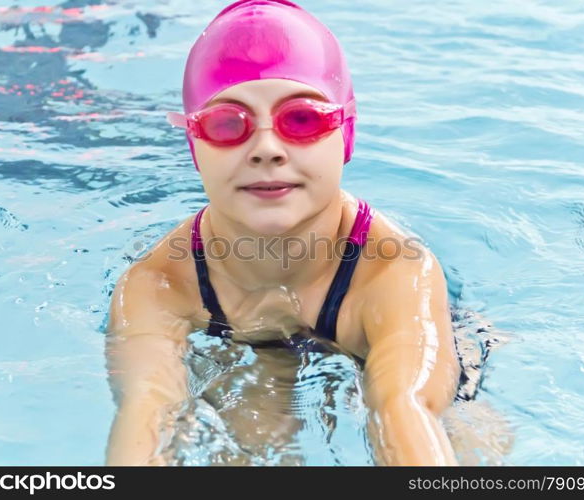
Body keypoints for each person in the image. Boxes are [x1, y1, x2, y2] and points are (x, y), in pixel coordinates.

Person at [104, 0, 461, 466]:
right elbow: (146, 415)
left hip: (377, 333)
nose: (267, 149)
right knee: (244, 449)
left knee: (470, 441)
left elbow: (403, 409)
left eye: (302, 119)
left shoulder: (394, 270)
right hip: (238, 348)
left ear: (346, 133)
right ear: (194, 145)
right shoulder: (159, 283)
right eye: (228, 124)